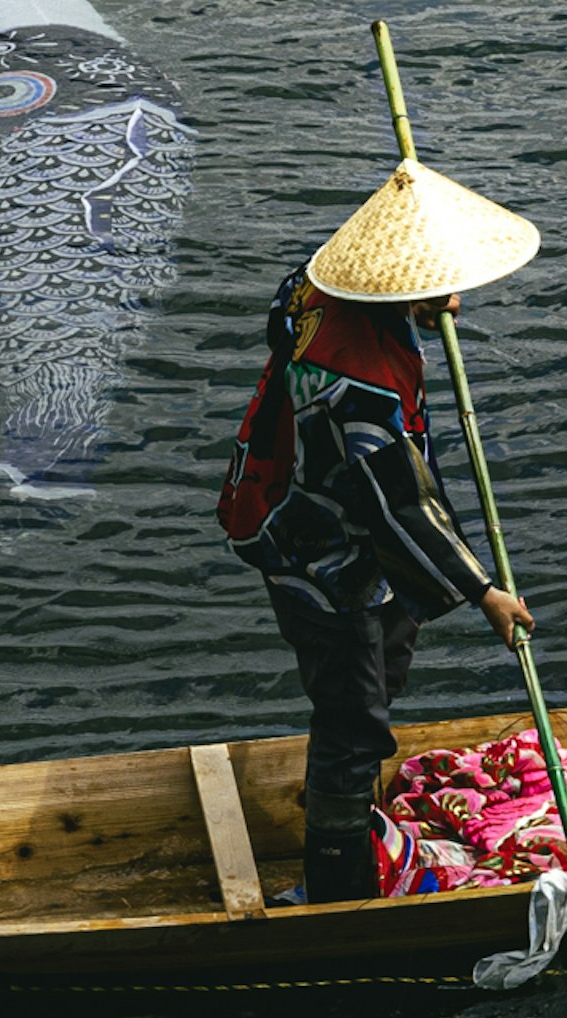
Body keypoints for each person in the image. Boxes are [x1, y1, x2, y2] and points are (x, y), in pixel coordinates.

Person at [218, 152, 537, 903]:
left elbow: (280, 320)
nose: (451, 300)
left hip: (317, 509)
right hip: (323, 550)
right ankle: (339, 879)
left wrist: (418, 308)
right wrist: (484, 591)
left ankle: (354, 818)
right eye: (433, 287)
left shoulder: (315, 279)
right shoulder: (355, 387)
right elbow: (393, 503)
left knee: (379, 666)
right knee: (354, 715)